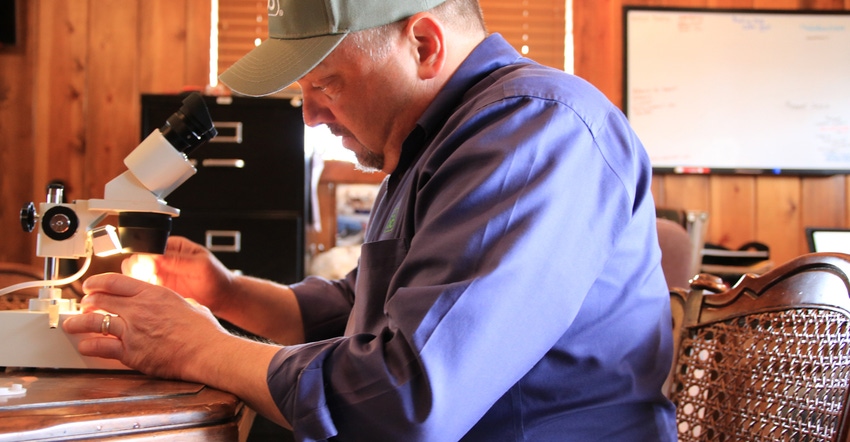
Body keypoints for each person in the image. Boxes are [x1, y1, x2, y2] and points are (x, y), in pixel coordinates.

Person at [64, 0, 678, 440]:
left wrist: (197, 347)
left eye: (325, 84)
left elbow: (407, 399)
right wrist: (224, 293)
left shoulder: (534, 132)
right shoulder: (427, 148)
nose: (308, 117)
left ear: (424, 45)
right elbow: (355, 308)